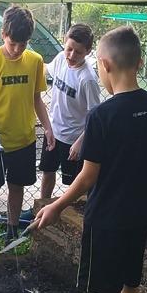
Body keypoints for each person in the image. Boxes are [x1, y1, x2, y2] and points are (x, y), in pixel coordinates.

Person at [32, 26, 147, 293]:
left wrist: (56, 205)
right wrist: (140, 183)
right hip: (139, 213)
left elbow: (88, 176)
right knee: (129, 281)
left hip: (106, 217)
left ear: (104, 65)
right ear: (139, 62)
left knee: (106, 287)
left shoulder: (102, 116)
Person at [0, 5, 54, 249]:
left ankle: (11, 230)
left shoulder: (35, 61)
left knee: (17, 186)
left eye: (23, 43)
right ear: (3, 34)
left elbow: (37, 98)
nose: (17, 49)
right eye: (13, 42)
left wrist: (47, 128)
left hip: (24, 138)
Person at [39, 23, 101, 200]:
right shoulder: (60, 59)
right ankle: (42, 207)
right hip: (53, 131)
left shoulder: (88, 79)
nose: (71, 55)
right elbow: (44, 69)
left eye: (78, 52)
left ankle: (71, 214)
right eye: (69, 49)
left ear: (88, 52)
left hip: (74, 139)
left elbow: (95, 116)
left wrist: (81, 142)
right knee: (47, 172)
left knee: (74, 183)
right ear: (64, 44)